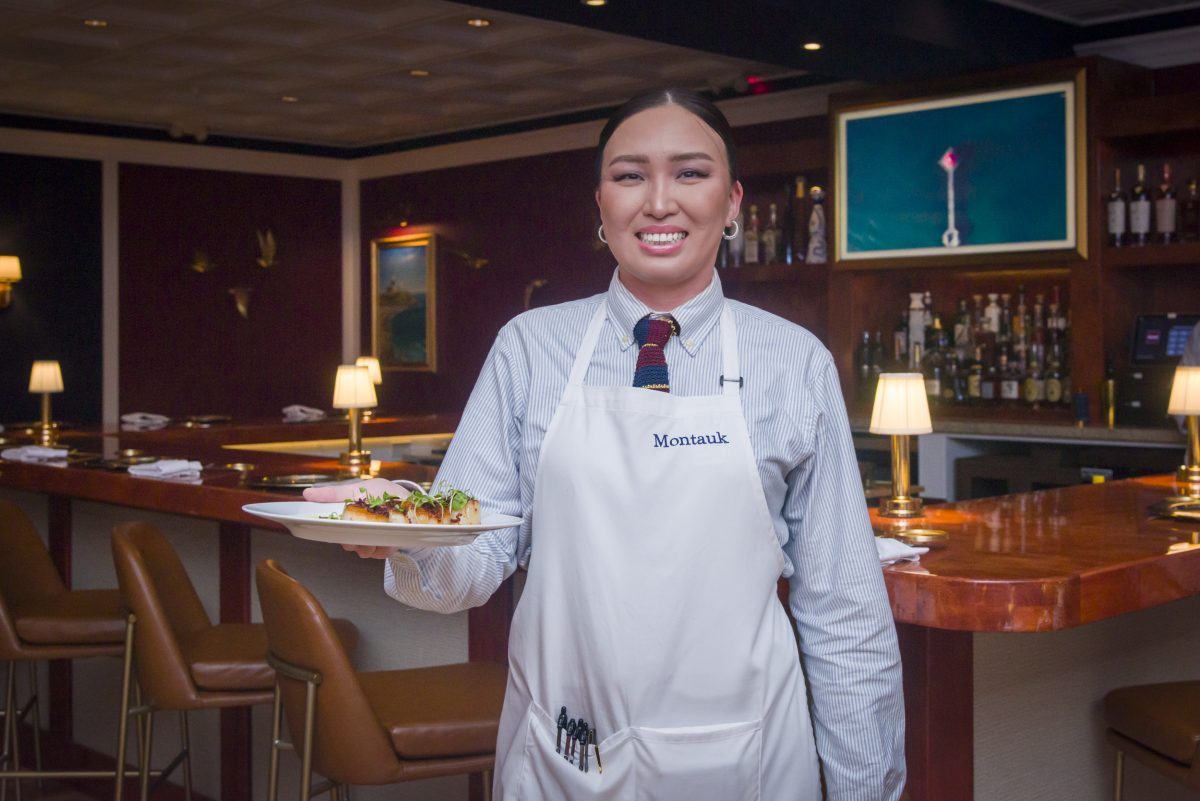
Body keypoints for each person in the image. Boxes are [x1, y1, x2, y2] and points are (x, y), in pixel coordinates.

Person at [307, 88, 905, 800]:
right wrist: (405, 528)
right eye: (630, 176)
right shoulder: (530, 348)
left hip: (748, 759)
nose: (659, 202)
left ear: (733, 201)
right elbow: (473, 562)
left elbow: (845, 615)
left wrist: (867, 790)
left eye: (691, 173)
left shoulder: (794, 363)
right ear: (601, 202)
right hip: (563, 753)